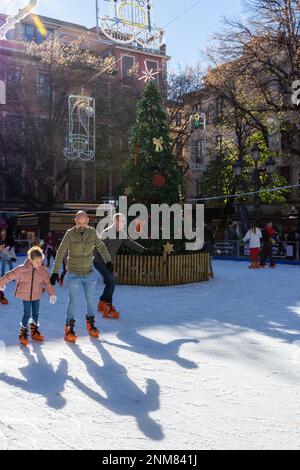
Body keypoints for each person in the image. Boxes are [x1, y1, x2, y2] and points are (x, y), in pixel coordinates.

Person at [50, 211, 112, 343]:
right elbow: (61, 251)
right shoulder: (70, 233)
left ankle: (90, 323)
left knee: (90, 299)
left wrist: (108, 261)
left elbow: (101, 246)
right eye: (79, 223)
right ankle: (69, 327)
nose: (82, 226)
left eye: (84, 223)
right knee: (73, 300)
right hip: (74, 273)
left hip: (89, 273)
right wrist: (55, 271)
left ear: (88, 221)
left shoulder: (92, 232)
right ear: (75, 221)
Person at [0, 246, 56, 346]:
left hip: (37, 295)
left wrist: (52, 293)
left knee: (35, 313)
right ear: (31, 260)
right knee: (27, 313)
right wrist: (1, 283)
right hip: (25, 296)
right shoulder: (22, 269)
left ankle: (34, 331)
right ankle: (23, 332)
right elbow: (9, 275)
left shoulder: (43, 271)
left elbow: (48, 283)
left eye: (41, 261)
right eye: (37, 262)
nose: (40, 264)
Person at [94, 213, 145, 319]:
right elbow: (98, 248)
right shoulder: (107, 232)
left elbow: (130, 243)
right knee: (112, 282)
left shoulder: (121, 233)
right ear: (116, 222)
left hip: (108, 262)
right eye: (122, 221)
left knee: (109, 282)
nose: (124, 223)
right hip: (100, 262)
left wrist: (143, 250)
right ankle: (107, 307)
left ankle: (102, 302)